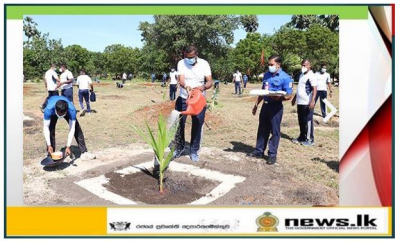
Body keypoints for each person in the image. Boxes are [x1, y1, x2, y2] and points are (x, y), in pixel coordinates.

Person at [247, 56, 293, 165]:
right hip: (265, 106)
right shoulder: (267, 75)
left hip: (275, 107)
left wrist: (279, 98)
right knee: (262, 129)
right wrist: (256, 105)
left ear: (278, 65)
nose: (270, 66)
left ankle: (272, 155)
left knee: (275, 131)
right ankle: (259, 152)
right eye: (269, 64)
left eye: (271, 64)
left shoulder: (285, 77)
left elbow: (289, 96)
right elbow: (263, 92)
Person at [173, 45, 213, 162]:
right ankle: (179, 148)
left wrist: (202, 87)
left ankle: (194, 150)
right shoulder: (181, 63)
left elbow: (210, 81)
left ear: (196, 55)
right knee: (179, 124)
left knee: (197, 124)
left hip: (198, 100)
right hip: (184, 98)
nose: (188, 59)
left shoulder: (204, 64)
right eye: (186, 56)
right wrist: (186, 86)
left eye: (191, 57)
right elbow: (181, 79)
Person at [291, 59, 317, 146]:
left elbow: (314, 89)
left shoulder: (311, 76)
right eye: (302, 65)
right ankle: (302, 136)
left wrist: (312, 101)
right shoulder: (302, 75)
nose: (303, 67)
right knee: (301, 120)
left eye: (305, 65)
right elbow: (300, 88)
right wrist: (295, 98)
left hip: (307, 102)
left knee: (308, 120)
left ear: (309, 66)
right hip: (300, 102)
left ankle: (310, 139)